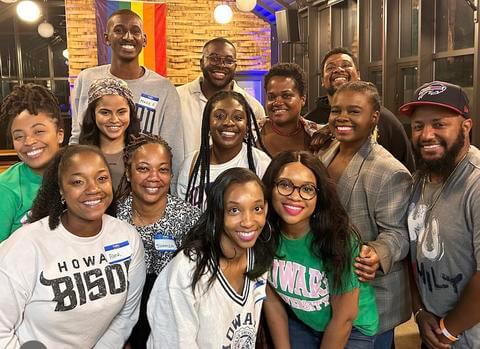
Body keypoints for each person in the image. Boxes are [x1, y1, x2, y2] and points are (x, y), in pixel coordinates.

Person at [0, 145, 146, 348]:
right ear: (60, 189)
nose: (93, 188)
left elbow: (126, 315)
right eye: (78, 181)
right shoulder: (26, 245)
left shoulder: (127, 237)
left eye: (101, 178)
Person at [317, 81, 412, 348]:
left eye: (354, 111)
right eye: (336, 111)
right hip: (334, 293)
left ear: (374, 118)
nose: (342, 117)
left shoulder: (389, 171)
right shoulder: (326, 153)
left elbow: (400, 233)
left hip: (373, 300)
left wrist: (377, 253)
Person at [147, 167, 275, 348]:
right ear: (217, 212)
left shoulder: (258, 255)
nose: (248, 221)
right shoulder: (187, 270)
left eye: (257, 208)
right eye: (234, 210)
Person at [262, 151, 379, 348]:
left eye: (307, 189)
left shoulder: (338, 239)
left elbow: (344, 319)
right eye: (284, 185)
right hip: (304, 323)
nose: (294, 196)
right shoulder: (263, 234)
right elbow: (272, 301)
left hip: (353, 329)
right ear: (270, 187)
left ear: (319, 195)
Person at [399, 81, 480, 348]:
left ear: (466, 127)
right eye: (418, 126)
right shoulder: (419, 179)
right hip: (434, 331)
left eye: (439, 124)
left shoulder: (475, 183)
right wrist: (419, 311)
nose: (426, 134)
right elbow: (413, 255)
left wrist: (449, 330)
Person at [70, 9, 184, 183]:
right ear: (106, 38)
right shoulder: (88, 78)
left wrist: (172, 194)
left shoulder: (164, 88)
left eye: (135, 31)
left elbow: (172, 148)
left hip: (144, 185)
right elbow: (78, 135)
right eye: (119, 30)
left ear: (144, 40)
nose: (128, 37)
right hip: (94, 181)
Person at [116, 133, 201, 348]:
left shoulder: (190, 220)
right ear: (128, 173)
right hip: (120, 329)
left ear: (171, 174)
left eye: (163, 169)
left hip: (174, 329)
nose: (154, 177)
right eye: (143, 168)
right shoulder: (113, 219)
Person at [307, 47, 415, 172]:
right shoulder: (311, 122)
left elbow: (406, 165)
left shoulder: (385, 119)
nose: (339, 70)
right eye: (330, 67)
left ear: (358, 75)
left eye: (346, 65)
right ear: (322, 80)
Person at [176, 90, 270, 209]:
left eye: (238, 117)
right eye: (219, 116)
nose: (228, 122)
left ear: (247, 127)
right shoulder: (191, 164)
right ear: (208, 123)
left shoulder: (261, 163)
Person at [177, 37, 265, 156]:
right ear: (202, 62)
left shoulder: (252, 107)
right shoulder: (178, 98)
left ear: (235, 66)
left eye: (228, 61)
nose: (221, 65)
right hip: (188, 173)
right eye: (214, 59)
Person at [0, 84, 64, 241]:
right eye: (19, 136)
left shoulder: (78, 172)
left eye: (39, 131)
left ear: (59, 134)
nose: (29, 141)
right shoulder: (6, 188)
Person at [79, 77, 140, 190]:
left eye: (121, 112)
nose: (114, 119)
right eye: (105, 112)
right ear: (93, 114)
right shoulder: (78, 156)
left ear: (130, 113)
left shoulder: (142, 153)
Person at [259, 63, 321, 157]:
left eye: (286, 96)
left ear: (303, 99)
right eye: (271, 97)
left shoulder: (317, 135)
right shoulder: (249, 133)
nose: (277, 102)